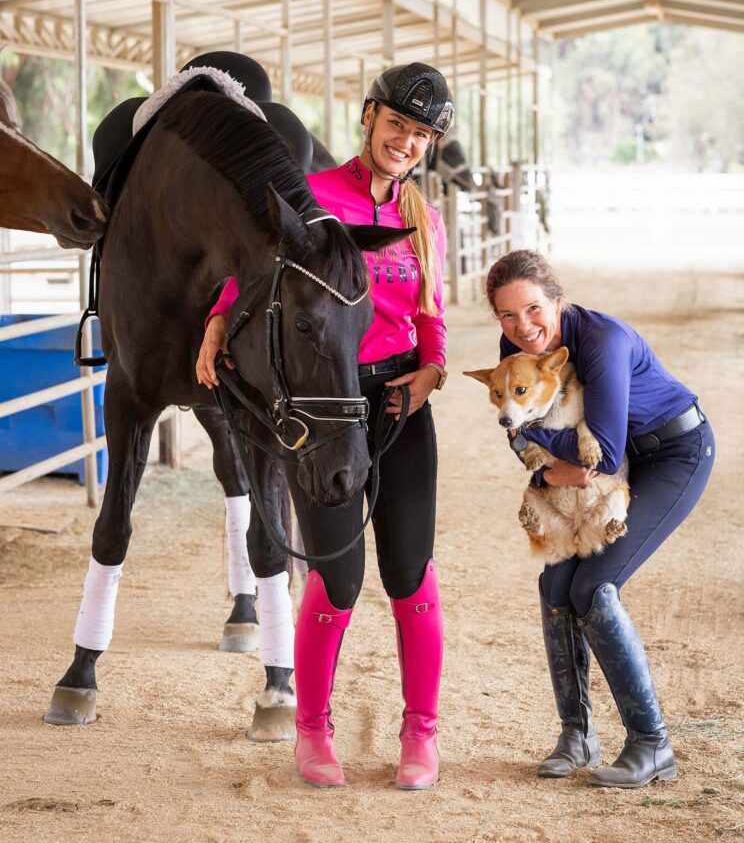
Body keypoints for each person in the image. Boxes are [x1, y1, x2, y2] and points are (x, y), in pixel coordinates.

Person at [196, 62, 453, 790]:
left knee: (412, 578)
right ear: (369, 117)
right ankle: (312, 729)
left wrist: (433, 368)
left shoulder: (422, 220)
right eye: (398, 123)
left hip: (402, 405)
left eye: (421, 134)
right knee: (337, 582)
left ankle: (421, 734)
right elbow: (252, 268)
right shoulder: (310, 199)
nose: (407, 141)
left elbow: (429, 313)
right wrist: (217, 322)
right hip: (326, 409)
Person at [486, 250, 714, 789]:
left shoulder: (603, 342)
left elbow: (602, 455)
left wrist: (534, 446)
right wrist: (544, 475)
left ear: (558, 301)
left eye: (534, 309)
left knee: (594, 585)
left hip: (673, 452)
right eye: (507, 316)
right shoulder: (518, 348)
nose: (523, 327)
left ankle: (651, 743)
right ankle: (577, 735)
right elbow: (519, 425)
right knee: (555, 583)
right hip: (609, 461)